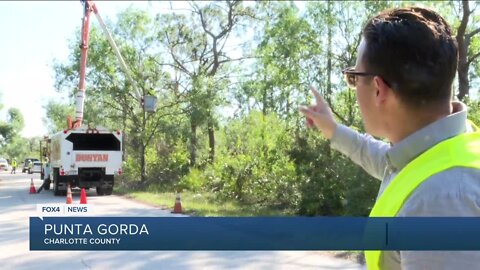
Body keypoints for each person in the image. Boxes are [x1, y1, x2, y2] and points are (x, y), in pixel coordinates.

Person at [299, 6, 480, 270]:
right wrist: (332, 129)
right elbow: (379, 157)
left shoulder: (440, 201)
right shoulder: (444, 148)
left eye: (354, 78)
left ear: (377, 89)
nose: (352, 88)